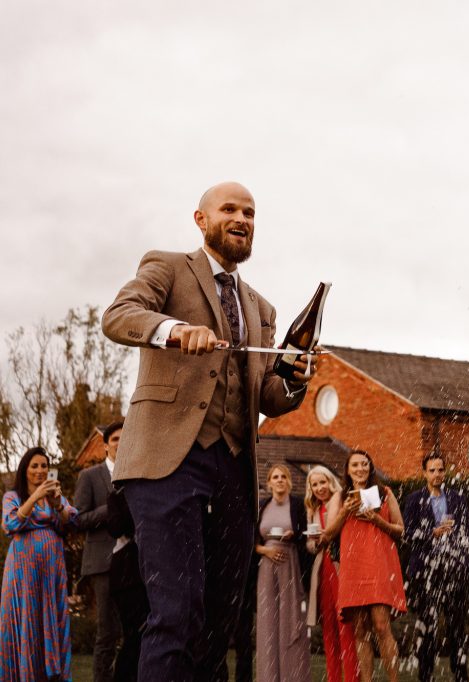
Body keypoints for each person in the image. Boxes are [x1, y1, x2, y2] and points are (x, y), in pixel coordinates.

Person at [101, 181, 312, 680]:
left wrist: (297, 382)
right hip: (166, 463)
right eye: (230, 209)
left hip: (234, 468)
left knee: (220, 623)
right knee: (176, 614)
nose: (242, 218)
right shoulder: (167, 267)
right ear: (201, 219)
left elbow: (266, 398)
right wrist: (173, 330)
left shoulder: (262, 308)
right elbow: (119, 316)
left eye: (251, 213)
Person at [0, 446, 78, 681]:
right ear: (25, 470)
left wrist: (57, 504)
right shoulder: (12, 497)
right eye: (35, 466)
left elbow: (70, 523)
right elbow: (10, 524)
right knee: (26, 619)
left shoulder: (56, 498)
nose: (41, 470)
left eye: (44, 465)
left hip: (51, 573)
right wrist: (35, 496)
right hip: (23, 573)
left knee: (51, 619)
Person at [326, 450, 407, 682]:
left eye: (364, 464)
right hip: (353, 568)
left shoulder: (384, 493)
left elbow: (400, 530)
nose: (360, 469)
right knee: (360, 631)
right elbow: (330, 533)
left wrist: (376, 519)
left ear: (370, 468)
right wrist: (346, 511)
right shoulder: (340, 497)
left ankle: (394, 680)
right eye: (355, 465)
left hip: (379, 565)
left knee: (382, 626)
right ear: (347, 470)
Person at [402, 452, 469, 682]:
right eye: (432, 470)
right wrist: (432, 533)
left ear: (445, 472)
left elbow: (468, 531)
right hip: (426, 570)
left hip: (453, 569)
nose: (437, 474)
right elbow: (409, 533)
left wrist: (464, 560)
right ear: (425, 473)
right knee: (427, 628)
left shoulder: (457, 498)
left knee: (458, 627)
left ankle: (461, 675)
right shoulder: (415, 499)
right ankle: (425, 676)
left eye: (441, 470)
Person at [75, 420, 124, 682]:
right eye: (115, 439)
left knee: (134, 631)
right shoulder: (90, 476)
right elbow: (78, 519)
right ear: (105, 445)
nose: (120, 442)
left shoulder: (137, 475)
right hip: (102, 562)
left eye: (125, 438)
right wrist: (112, 507)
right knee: (107, 633)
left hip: (134, 561)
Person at [253, 464, 310, 681]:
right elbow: (251, 541)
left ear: (288, 481)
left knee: (290, 619)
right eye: (275, 477)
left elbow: (306, 535)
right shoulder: (262, 506)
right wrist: (265, 550)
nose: (279, 480)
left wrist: (293, 534)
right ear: (269, 483)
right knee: (268, 621)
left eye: (283, 476)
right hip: (266, 568)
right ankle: (269, 677)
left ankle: (292, 675)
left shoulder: (297, 505)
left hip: (290, 564)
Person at [305, 465, 359, 682]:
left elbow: (339, 533)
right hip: (322, 572)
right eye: (315, 484)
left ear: (330, 481)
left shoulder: (340, 500)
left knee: (346, 627)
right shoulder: (314, 509)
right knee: (329, 631)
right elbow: (311, 546)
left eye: (322, 482)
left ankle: (353, 679)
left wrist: (324, 536)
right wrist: (314, 540)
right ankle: (334, 678)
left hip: (340, 568)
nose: (319, 487)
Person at [105, 486, 147, 682]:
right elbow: (117, 527)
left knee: (147, 636)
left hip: (152, 573)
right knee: (133, 636)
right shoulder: (117, 495)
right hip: (127, 575)